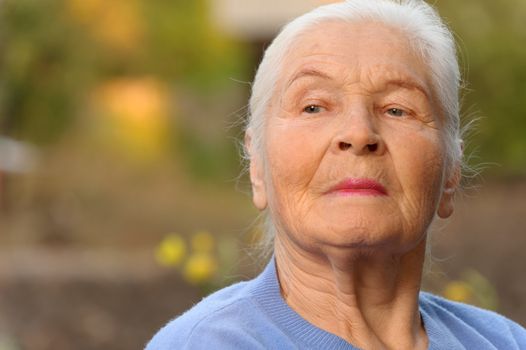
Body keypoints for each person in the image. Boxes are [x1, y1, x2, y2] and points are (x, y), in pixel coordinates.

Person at [146, 1, 526, 349]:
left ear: (451, 172)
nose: (358, 134)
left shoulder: (504, 341)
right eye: (313, 106)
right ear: (257, 166)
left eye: (397, 110)